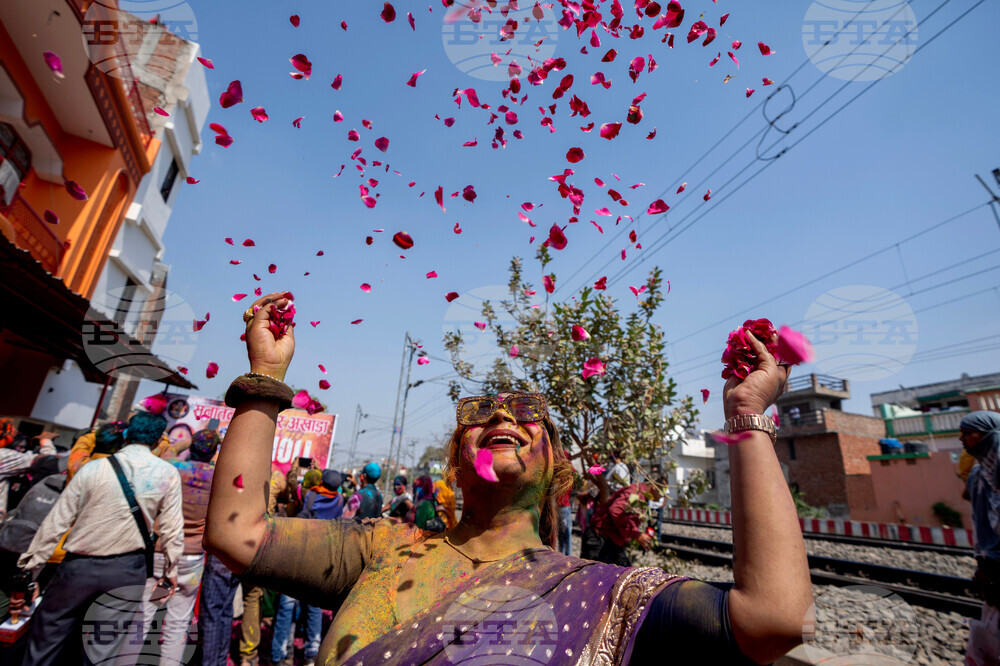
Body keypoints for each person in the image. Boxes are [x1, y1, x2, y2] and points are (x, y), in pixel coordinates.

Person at [203, 292, 812, 665]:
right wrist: (265, 378)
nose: (501, 417)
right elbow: (237, 534)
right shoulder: (381, 550)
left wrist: (746, 414)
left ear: (557, 469)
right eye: (480, 415)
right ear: (456, 464)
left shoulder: (604, 594)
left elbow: (774, 620)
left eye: (526, 414)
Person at [16, 411, 183, 666]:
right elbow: (172, 529)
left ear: (127, 434)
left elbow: (57, 521)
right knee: (102, 651)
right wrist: (170, 571)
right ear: (159, 440)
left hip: (77, 568)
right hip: (127, 571)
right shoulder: (167, 473)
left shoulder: (93, 468)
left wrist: (31, 565)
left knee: (46, 640)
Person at [140, 429, 220, 665]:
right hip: (191, 560)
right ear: (213, 453)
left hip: (162, 553)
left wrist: (190, 440)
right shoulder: (218, 477)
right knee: (177, 624)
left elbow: (167, 450)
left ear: (192, 447)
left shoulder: (175, 467)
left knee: (145, 615)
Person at [959, 411, 1000, 666]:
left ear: (988, 436)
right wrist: (984, 563)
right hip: (991, 564)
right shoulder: (978, 475)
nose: (962, 439)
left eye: (968, 433)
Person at [590, 482, 659, 566]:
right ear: (654, 487)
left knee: (624, 570)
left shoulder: (641, 495)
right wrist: (636, 534)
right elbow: (616, 510)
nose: (662, 496)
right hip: (601, 538)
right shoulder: (635, 492)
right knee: (593, 571)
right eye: (662, 492)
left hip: (613, 540)